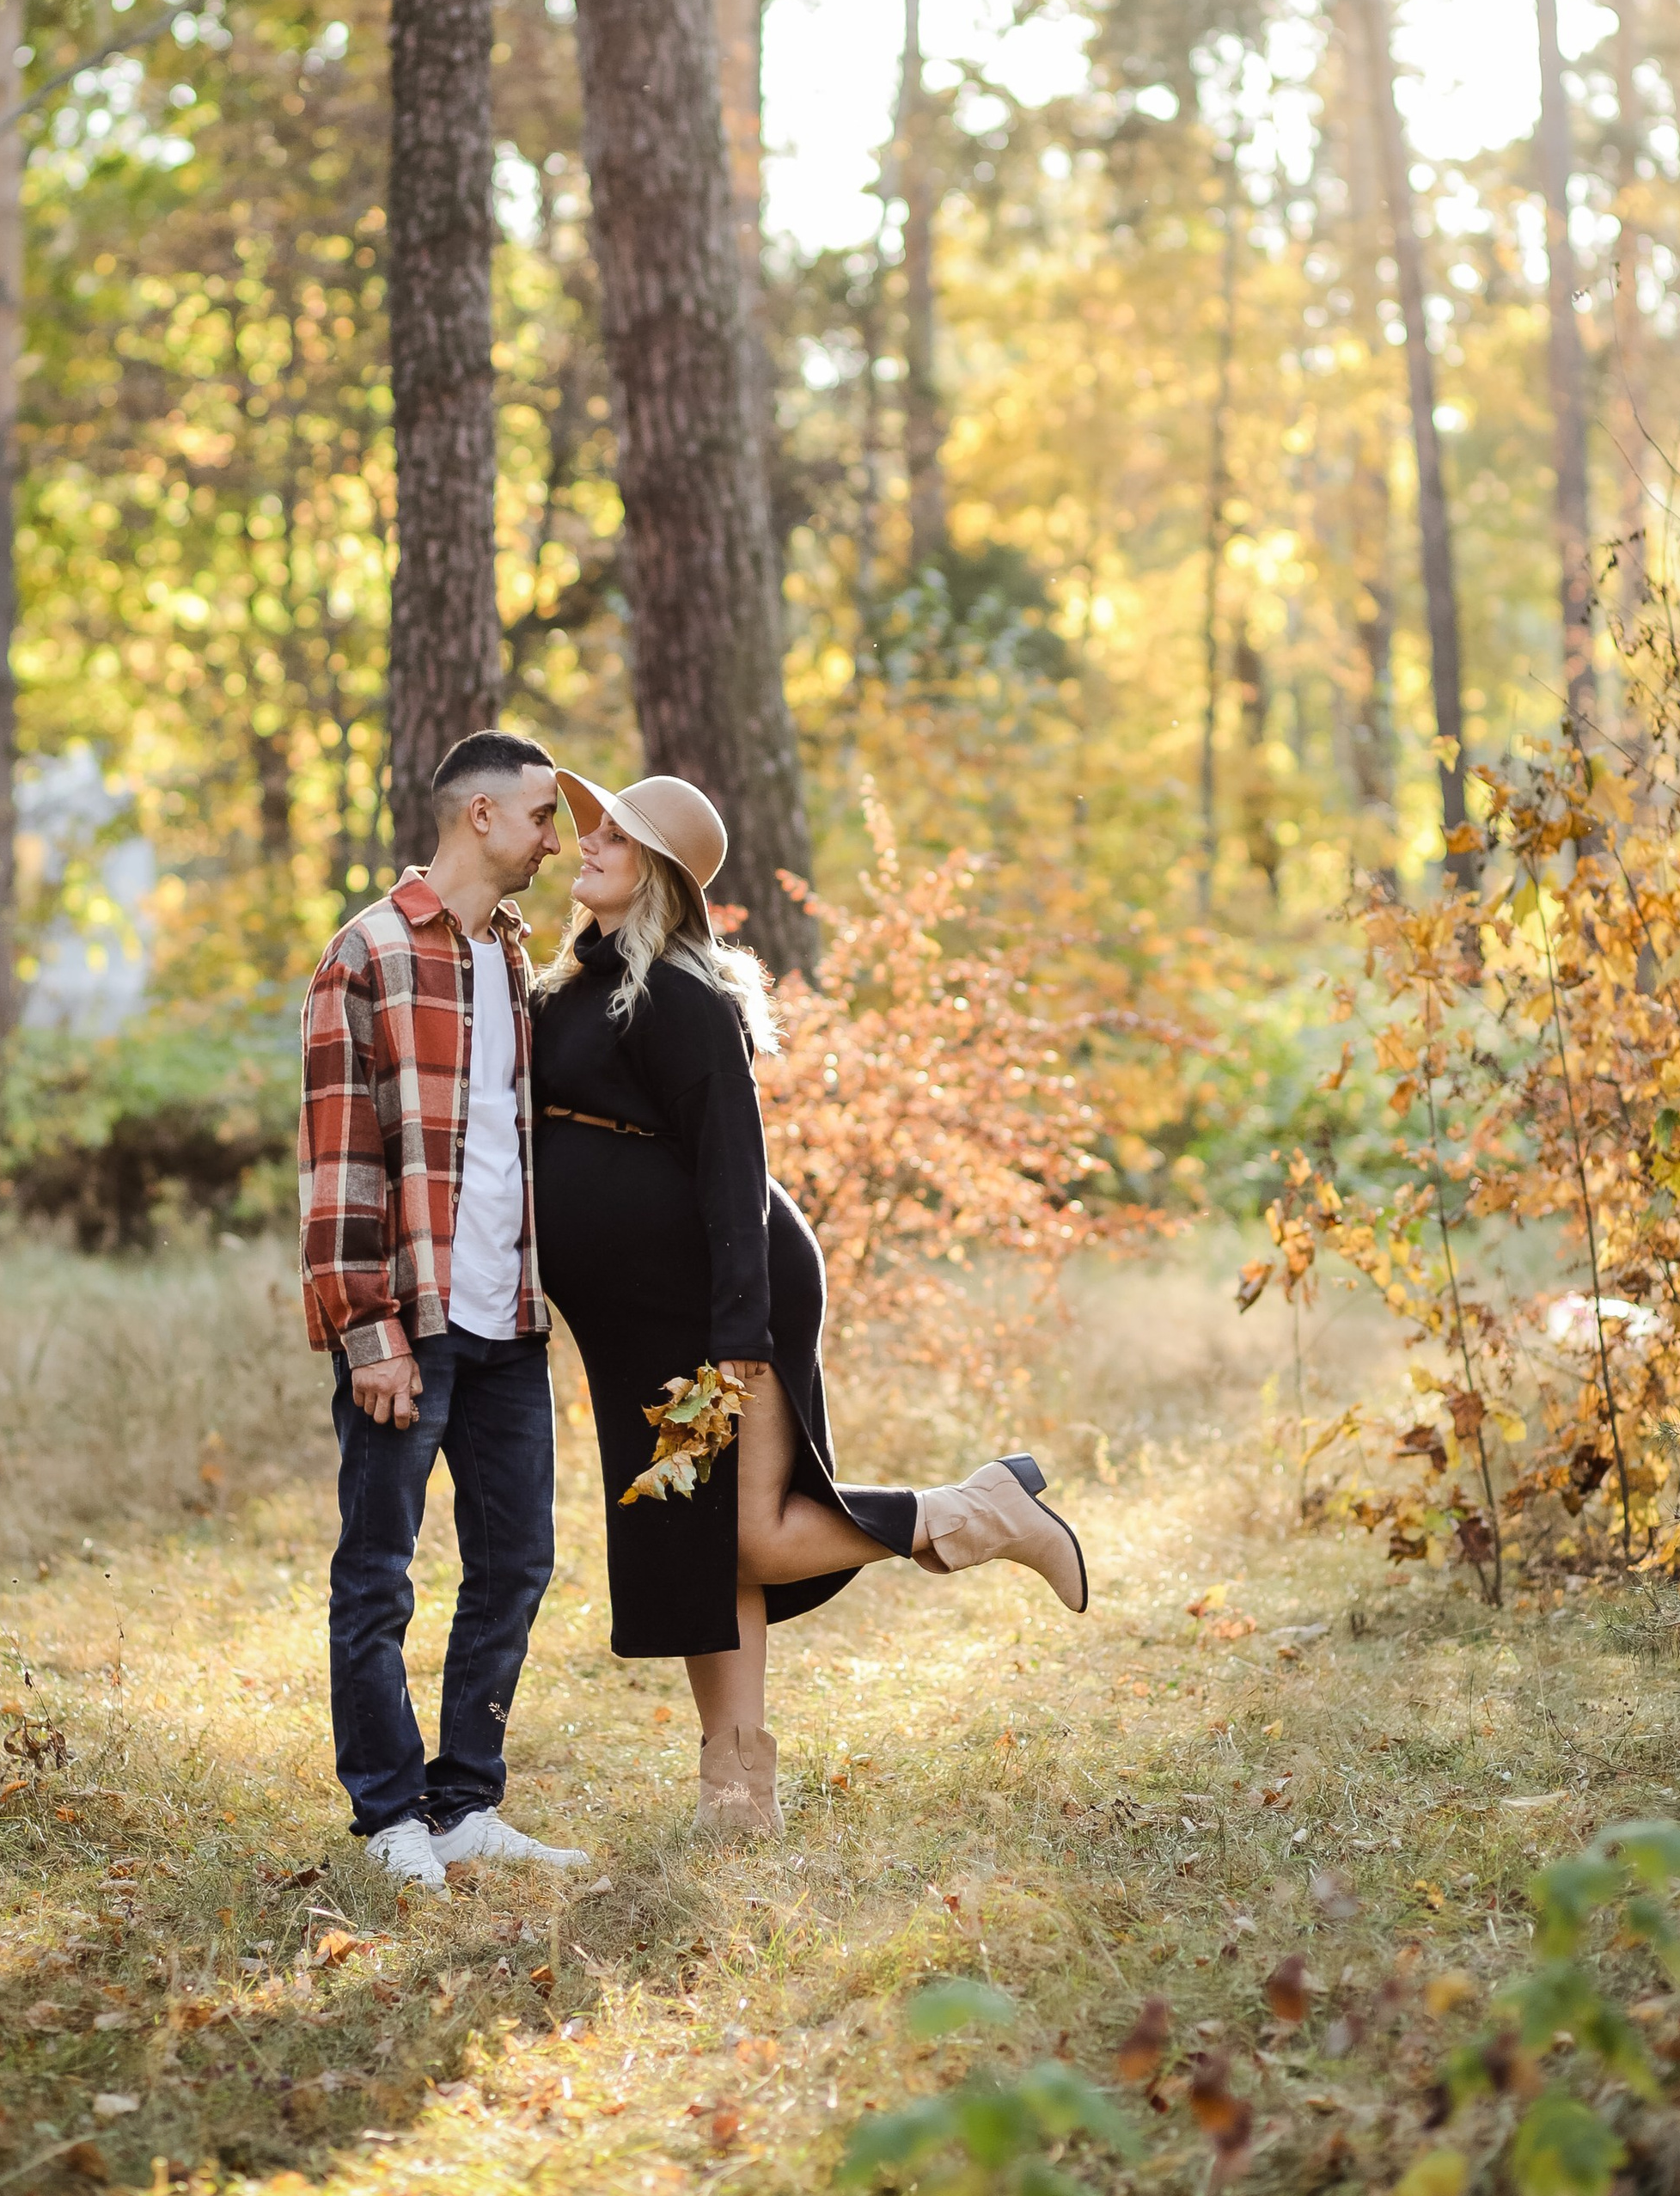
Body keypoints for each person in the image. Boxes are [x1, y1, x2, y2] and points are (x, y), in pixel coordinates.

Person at [530, 768, 1089, 1837]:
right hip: (631, 1320)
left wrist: (740, 1325)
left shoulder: (680, 997)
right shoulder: (564, 989)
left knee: (751, 1538)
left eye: (613, 833)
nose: (586, 840)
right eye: (590, 825)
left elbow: (733, 1166)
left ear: (657, 873)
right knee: (695, 1543)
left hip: (717, 1297)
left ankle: (976, 1513)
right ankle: (736, 1802)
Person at [299, 727, 590, 1893]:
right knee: (379, 1571)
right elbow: (340, 1166)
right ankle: (389, 1814)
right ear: (479, 815)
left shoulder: (516, 960)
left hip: (507, 1321)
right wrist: (367, 1332)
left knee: (516, 1559)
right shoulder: (364, 955)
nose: (553, 841)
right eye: (541, 817)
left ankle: (466, 1801)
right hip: (408, 1322)